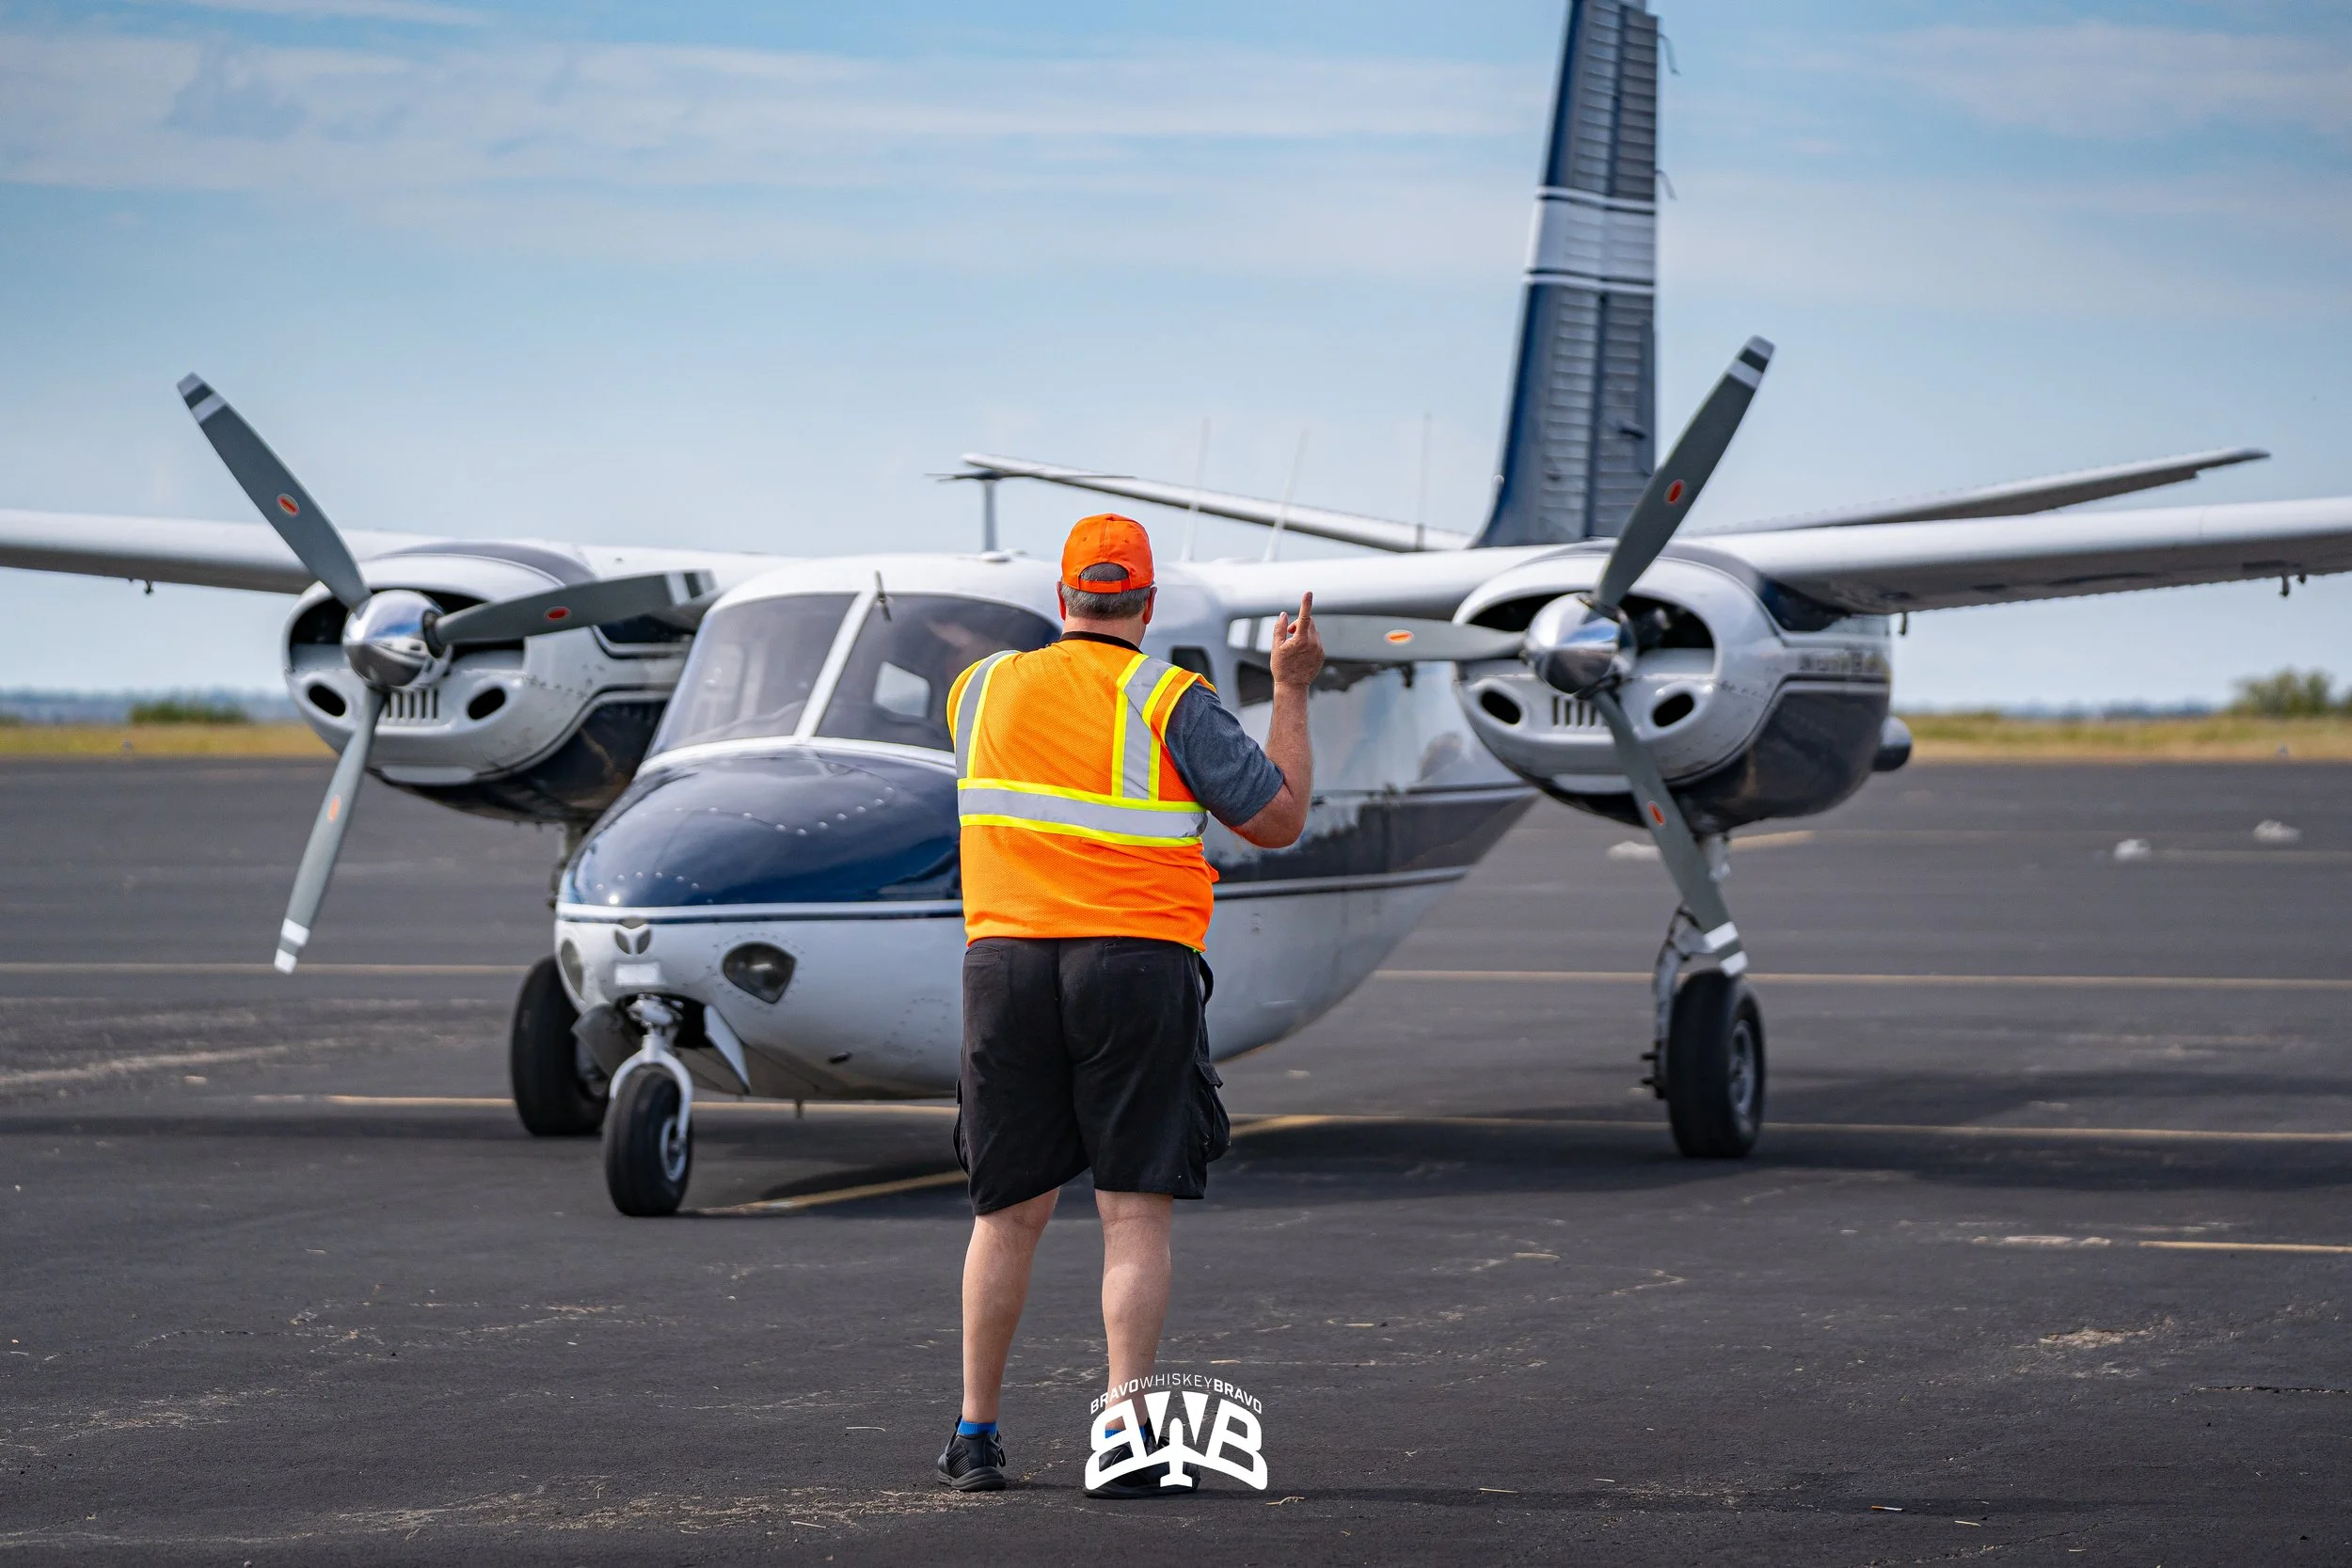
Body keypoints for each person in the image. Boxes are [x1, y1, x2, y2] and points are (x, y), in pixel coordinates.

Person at [934, 513, 1323, 1497]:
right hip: (1134, 967)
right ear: (1147, 605)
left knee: (1003, 1213)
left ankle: (975, 1433)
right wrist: (1289, 688)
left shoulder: (975, 690)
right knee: (1131, 1215)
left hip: (1005, 966)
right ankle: (1126, 1436)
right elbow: (1276, 818)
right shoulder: (1169, 697)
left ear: (1062, 599)